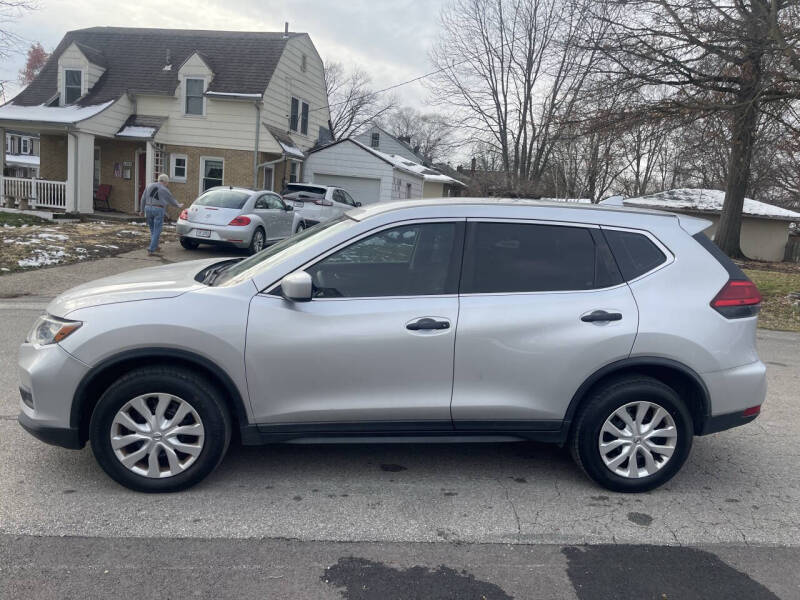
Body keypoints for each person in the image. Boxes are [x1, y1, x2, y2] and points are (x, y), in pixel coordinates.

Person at [140, 174, 182, 256]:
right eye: (167, 183)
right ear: (165, 181)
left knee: (152, 229)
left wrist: (141, 210)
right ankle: (151, 248)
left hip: (148, 208)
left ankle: (155, 246)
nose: (167, 184)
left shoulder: (149, 186)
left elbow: (143, 198)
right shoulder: (164, 189)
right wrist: (178, 205)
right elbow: (171, 199)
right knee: (157, 229)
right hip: (158, 209)